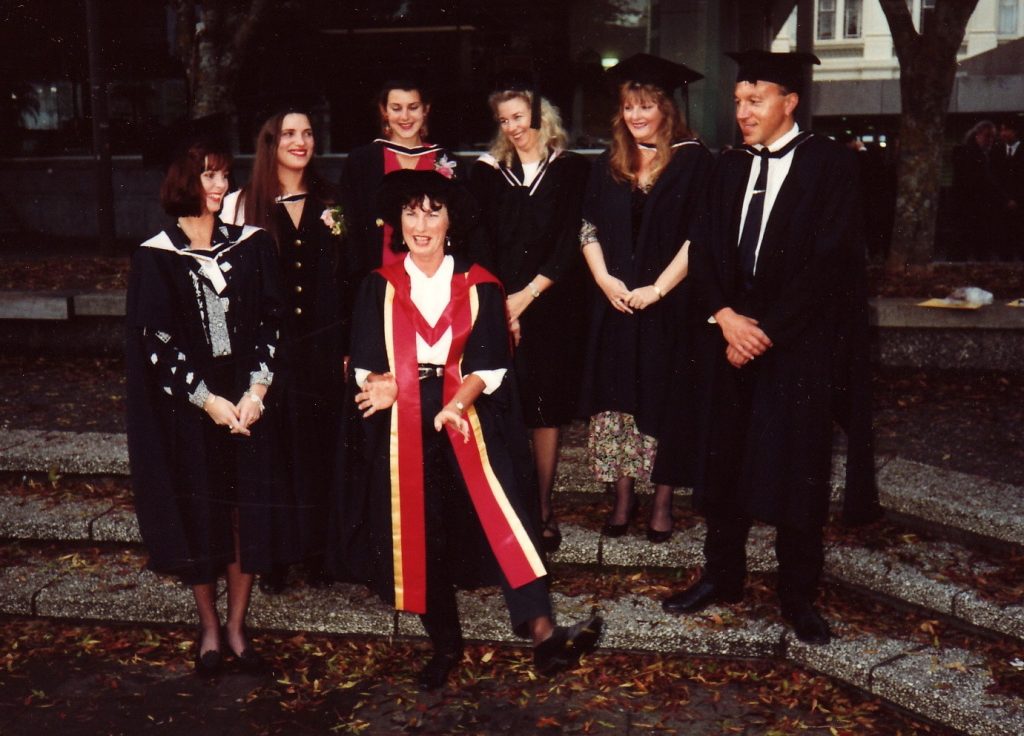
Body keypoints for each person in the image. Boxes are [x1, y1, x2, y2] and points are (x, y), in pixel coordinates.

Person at [331, 170, 602, 691]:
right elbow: (366, 363)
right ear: (398, 222)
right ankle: (444, 644)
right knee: (421, 527)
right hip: (402, 426)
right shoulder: (378, 287)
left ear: (451, 221)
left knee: (507, 512)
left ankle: (544, 635)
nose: (421, 223)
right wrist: (384, 388)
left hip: (470, 413)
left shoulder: (479, 284)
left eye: (433, 211)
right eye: (411, 212)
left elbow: (490, 362)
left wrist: (452, 402)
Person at [663, 50, 875, 645]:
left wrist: (765, 332)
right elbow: (702, 249)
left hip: (796, 346)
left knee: (797, 469)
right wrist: (727, 318)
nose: (743, 111)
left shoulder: (830, 166)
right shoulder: (726, 168)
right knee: (723, 460)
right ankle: (722, 577)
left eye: (755, 100)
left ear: (790, 102)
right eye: (737, 101)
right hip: (728, 340)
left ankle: (797, 593)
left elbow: (831, 263)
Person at [126, 130, 293, 675]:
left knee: (245, 514)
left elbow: (272, 320)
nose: (221, 185)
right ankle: (210, 627)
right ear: (185, 181)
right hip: (191, 410)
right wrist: (208, 401)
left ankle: (239, 626)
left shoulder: (250, 244)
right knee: (201, 515)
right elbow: (156, 341)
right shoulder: (157, 257)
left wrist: (257, 390)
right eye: (209, 175)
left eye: (224, 175)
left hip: (247, 404)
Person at [577, 54, 712, 544]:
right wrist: (606, 281)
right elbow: (587, 226)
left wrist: (657, 289)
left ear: (666, 110)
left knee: (665, 398)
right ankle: (623, 495)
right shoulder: (609, 163)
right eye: (629, 107)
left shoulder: (694, 161)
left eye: (646, 106)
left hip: (668, 307)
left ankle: (661, 501)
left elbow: (701, 237)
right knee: (618, 400)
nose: (636, 116)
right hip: (615, 304)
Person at [221, 107, 348, 593]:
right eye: (289, 134)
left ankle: (317, 555)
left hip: (321, 350)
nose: (301, 142)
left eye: (308, 133)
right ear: (270, 143)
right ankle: (273, 559)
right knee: (272, 454)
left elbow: (347, 279)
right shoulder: (239, 205)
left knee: (318, 450)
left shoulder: (331, 201)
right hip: (265, 352)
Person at [469, 76, 590, 552]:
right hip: (499, 305)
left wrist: (530, 295)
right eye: (504, 120)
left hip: (552, 304)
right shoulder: (486, 172)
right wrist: (501, 301)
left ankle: (541, 506)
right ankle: (508, 507)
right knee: (503, 405)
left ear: (541, 117)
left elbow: (570, 239)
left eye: (519, 117)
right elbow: (479, 240)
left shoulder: (571, 171)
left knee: (545, 409)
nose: (512, 127)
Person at [339, 79, 460, 289]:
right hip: (378, 282)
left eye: (413, 108)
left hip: (436, 281)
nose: (405, 117)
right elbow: (352, 232)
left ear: (426, 110)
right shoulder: (362, 161)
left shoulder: (445, 160)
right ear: (384, 111)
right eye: (396, 108)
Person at [951, 120, 1004, 261]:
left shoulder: (976, 153)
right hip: (972, 207)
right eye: (988, 136)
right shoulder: (972, 154)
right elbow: (980, 180)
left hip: (972, 207)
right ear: (977, 135)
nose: (991, 140)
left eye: (993, 137)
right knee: (975, 247)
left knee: (968, 247)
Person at [992, 118, 1023, 261]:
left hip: (1020, 205)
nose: (1002, 133)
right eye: (1001, 130)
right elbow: (994, 178)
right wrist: (1005, 199)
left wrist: (1016, 199)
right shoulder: (997, 151)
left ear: (1015, 131)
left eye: (1006, 130)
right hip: (1003, 205)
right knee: (1004, 245)